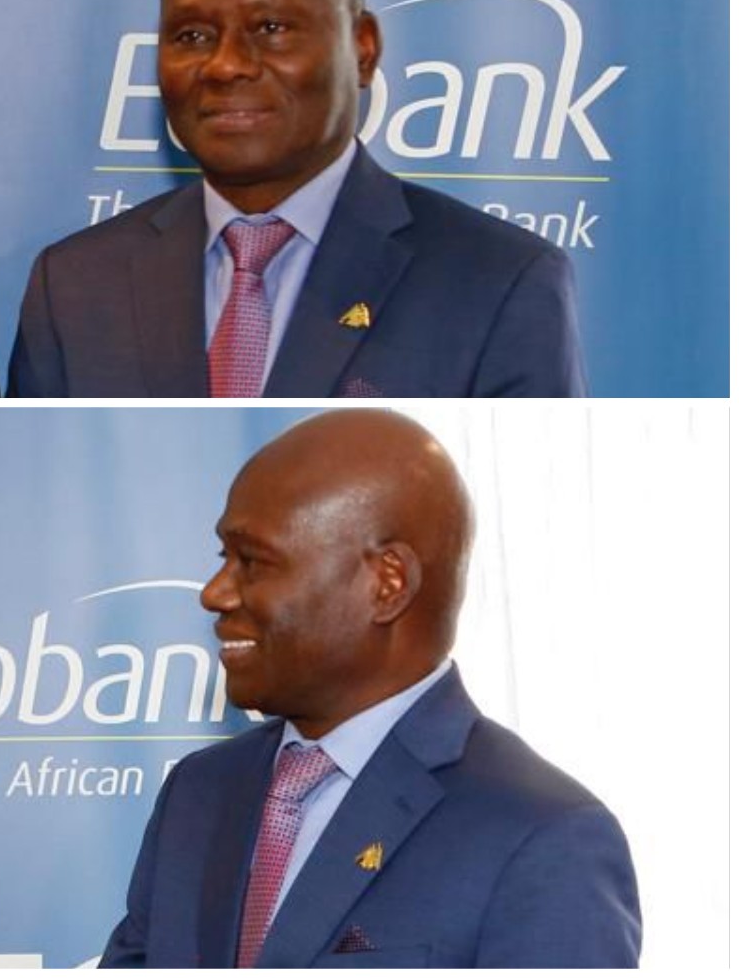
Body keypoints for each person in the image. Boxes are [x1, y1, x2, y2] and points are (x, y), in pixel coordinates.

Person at [102, 410, 639, 967]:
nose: (214, 593)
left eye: (252, 562)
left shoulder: (542, 837)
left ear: (387, 584)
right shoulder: (199, 792)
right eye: (224, 558)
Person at [9, 0, 586, 398]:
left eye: (271, 28)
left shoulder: (498, 281)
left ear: (363, 50)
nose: (226, 65)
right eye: (192, 36)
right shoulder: (75, 285)